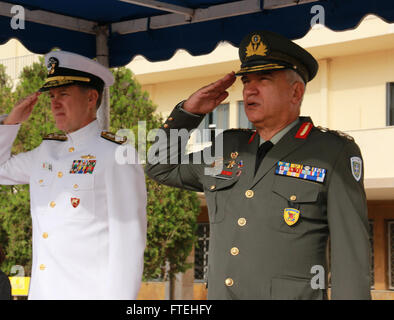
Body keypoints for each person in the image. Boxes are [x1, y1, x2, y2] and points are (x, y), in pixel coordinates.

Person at [145, 30, 371, 299]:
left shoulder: (331, 153)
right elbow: (160, 166)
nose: (250, 89)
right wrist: (188, 114)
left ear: (295, 92)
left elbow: (350, 257)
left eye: (264, 79)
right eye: (246, 80)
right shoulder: (227, 147)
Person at [0, 51, 147, 299]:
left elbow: (129, 243)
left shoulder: (116, 156)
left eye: (64, 95)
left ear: (91, 97)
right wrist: (12, 123)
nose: (54, 103)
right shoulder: (45, 153)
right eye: (52, 96)